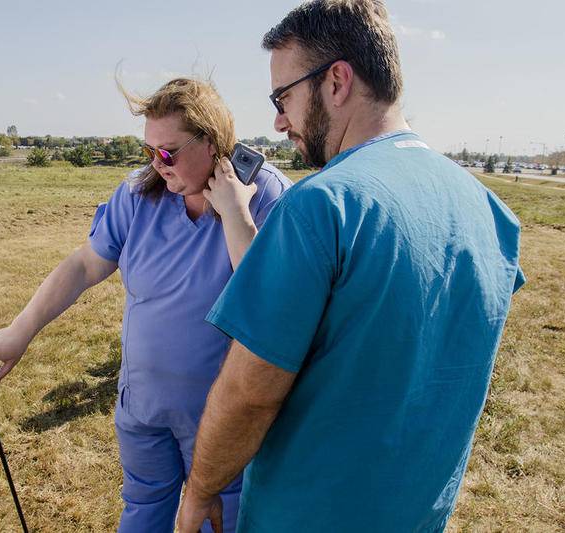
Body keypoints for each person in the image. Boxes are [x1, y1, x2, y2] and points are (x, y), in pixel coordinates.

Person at [177, 2, 525, 532]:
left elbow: (250, 394)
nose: (278, 121)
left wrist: (201, 488)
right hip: (419, 513)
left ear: (337, 81)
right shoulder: (491, 211)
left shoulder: (319, 206)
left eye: (283, 97)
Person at [0, 77, 292, 532]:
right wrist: (21, 330)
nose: (157, 165)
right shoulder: (140, 194)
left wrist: (235, 214)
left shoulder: (267, 198)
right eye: (149, 151)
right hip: (144, 407)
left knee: (222, 520)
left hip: (223, 419)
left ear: (212, 142)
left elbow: (268, 302)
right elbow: (84, 265)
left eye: (168, 152)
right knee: (143, 510)